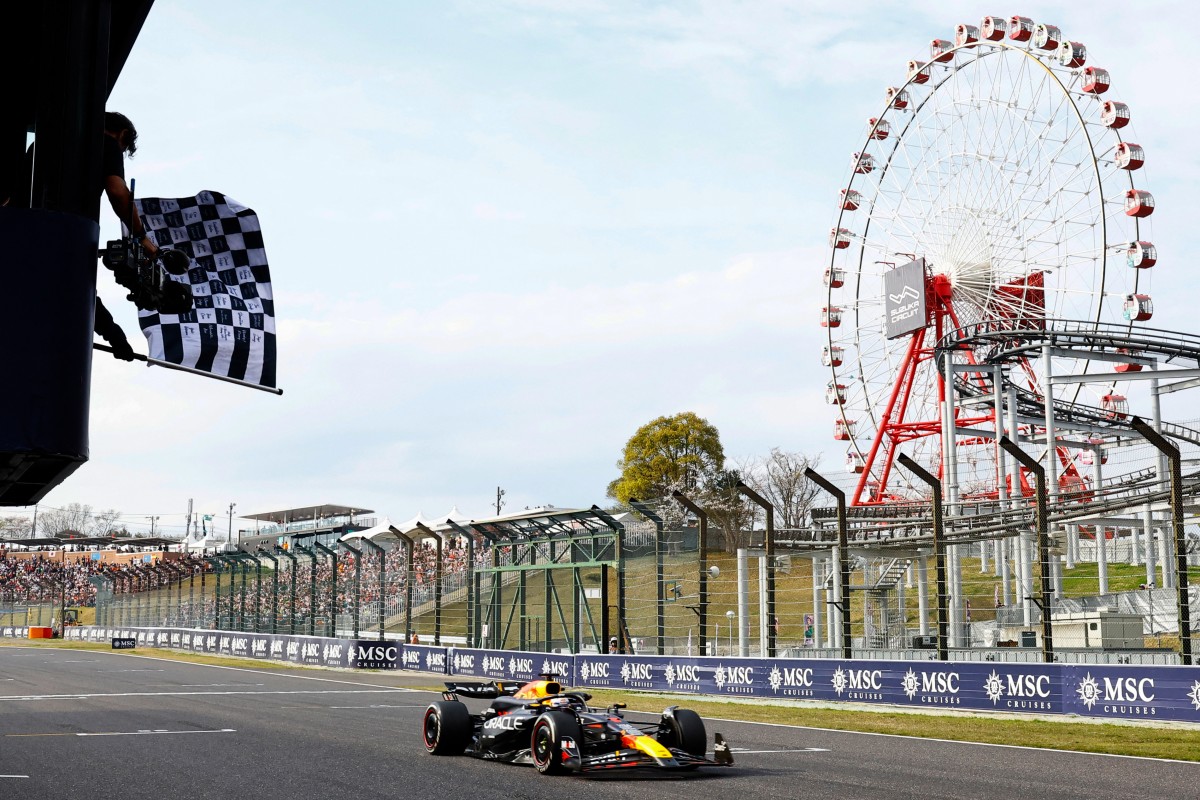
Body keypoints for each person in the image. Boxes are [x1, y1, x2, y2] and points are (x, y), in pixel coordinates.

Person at [94, 111, 156, 361]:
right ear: (123, 135)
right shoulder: (107, 144)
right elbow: (118, 193)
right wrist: (142, 237)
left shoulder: (45, 143)